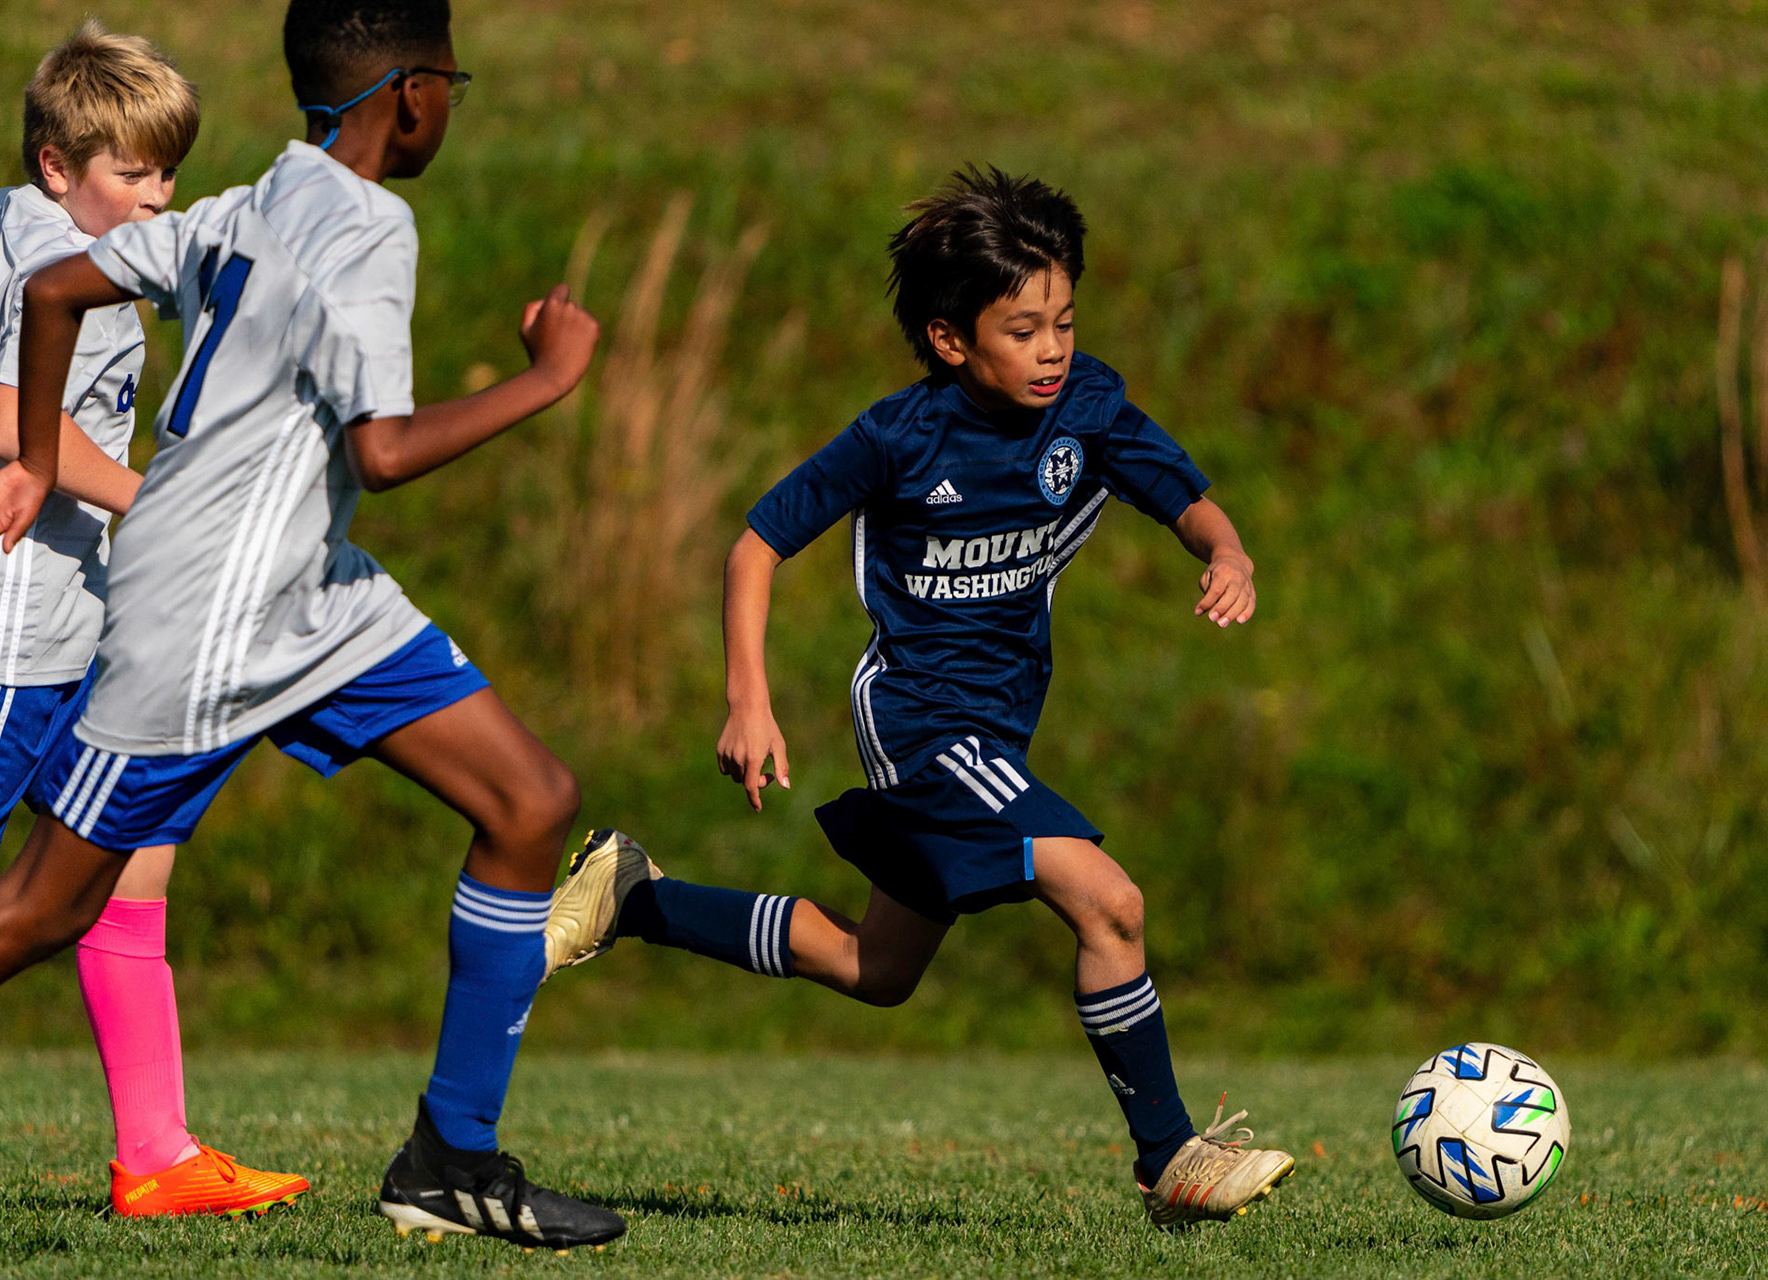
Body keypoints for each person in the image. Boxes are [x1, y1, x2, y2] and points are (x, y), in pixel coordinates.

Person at [0, 0, 623, 1253]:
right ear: (415, 94)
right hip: (205, 614)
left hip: (314, 595)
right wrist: (546, 381)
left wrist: (37, 459)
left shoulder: (247, 202)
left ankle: (449, 1159)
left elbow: (53, 291)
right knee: (36, 907)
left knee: (531, 799)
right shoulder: (369, 225)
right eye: (454, 85)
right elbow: (383, 444)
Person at [546, 166, 1295, 1228]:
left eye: (1065, 321)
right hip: (921, 719)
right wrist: (747, 698)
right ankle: (1170, 1154)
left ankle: (635, 894)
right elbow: (757, 542)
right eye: (1024, 328)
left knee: (876, 964)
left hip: (998, 724)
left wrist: (1230, 555)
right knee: (1109, 897)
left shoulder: (1089, 408)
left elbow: (1192, 503)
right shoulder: (901, 436)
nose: (1053, 349)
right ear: (953, 341)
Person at [0, 22, 306, 1218]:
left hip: (39, 599)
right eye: (134, 176)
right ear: (60, 164)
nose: (159, 199)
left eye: (168, 173)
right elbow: (12, 424)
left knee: (127, 857)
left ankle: (155, 1151)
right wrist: (163, 504)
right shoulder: (82, 277)